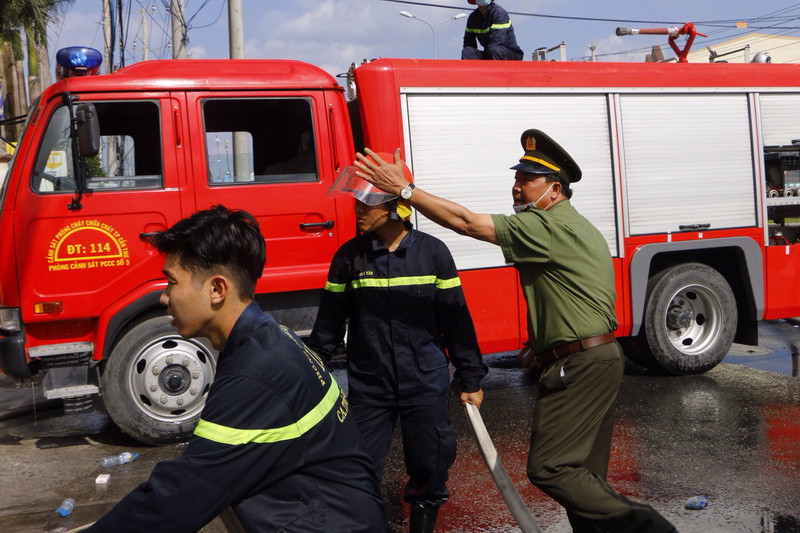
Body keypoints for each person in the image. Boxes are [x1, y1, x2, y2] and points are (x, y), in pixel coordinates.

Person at [355, 134, 677, 532]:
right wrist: (545, 341)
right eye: (518, 176)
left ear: (554, 189)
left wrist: (404, 190)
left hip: (579, 365)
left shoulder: (546, 225)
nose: (517, 185)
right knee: (583, 478)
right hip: (596, 358)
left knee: (551, 468)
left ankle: (650, 527)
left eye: (527, 179)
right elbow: (579, 293)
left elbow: (466, 223)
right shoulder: (575, 226)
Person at [88, 205, 385, 533]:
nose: (164, 297)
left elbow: (180, 496)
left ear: (217, 289)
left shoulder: (256, 374)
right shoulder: (267, 339)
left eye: (171, 282)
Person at [307, 159, 487, 533]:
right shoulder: (349, 257)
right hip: (370, 384)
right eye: (356, 201)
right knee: (357, 466)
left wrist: (470, 377)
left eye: (366, 203)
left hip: (424, 380)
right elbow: (327, 326)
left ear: (396, 207)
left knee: (429, 463)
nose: (357, 209)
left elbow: (456, 321)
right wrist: (310, 374)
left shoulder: (433, 254)